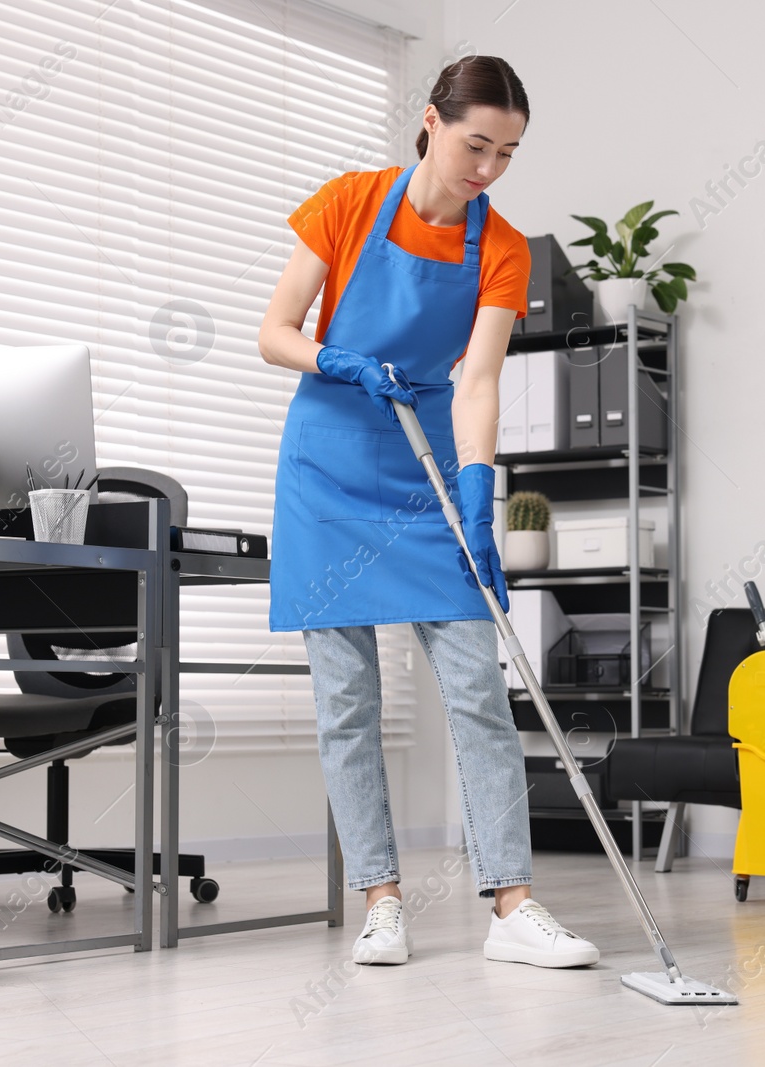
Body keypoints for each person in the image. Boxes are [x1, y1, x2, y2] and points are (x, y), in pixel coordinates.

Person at [257, 55, 598, 969]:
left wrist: (481, 489)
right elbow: (275, 330)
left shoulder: (503, 247)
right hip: (326, 471)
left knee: (479, 694)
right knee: (347, 705)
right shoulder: (350, 202)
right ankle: (382, 900)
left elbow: (479, 378)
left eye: (508, 153)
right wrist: (342, 362)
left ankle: (512, 905)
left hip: (429, 470)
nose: (486, 167)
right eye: (475, 143)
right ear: (431, 122)